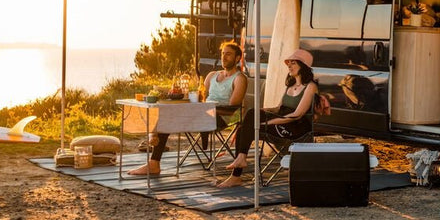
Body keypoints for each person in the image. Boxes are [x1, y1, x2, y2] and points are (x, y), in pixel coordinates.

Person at [129, 41, 247, 176]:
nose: (224, 57)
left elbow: (232, 107)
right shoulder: (212, 75)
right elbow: (202, 97)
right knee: (167, 114)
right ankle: (153, 155)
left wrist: (203, 109)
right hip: (203, 113)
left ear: (238, 58)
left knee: (169, 119)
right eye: (223, 54)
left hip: (221, 117)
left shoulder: (239, 79)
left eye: (229, 54)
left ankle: (154, 152)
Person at [217, 48, 318, 188]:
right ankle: (237, 172)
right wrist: (262, 113)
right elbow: (278, 108)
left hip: (295, 128)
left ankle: (238, 169)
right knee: (246, 122)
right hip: (280, 120)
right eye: (288, 63)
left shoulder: (310, 87)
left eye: (293, 63)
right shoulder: (290, 85)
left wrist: (268, 122)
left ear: (303, 66)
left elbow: (297, 115)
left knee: (251, 125)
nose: (289, 65)